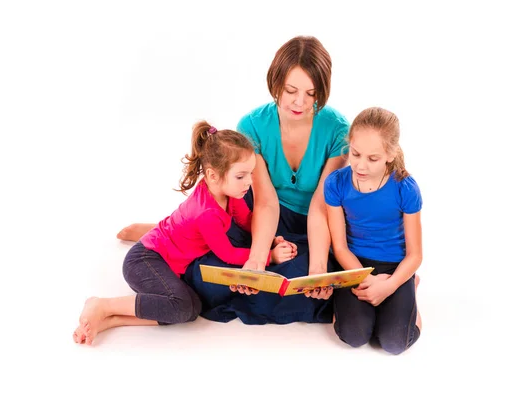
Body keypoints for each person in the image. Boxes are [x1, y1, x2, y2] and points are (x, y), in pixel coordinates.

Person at [116, 36, 349, 324]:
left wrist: (316, 269)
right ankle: (170, 231)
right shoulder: (252, 124)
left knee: (305, 283)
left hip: (315, 223)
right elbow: (265, 202)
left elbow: (320, 207)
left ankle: (174, 230)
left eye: (311, 94)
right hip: (259, 216)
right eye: (291, 90)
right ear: (276, 83)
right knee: (214, 276)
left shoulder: (338, 130)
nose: (300, 102)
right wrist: (256, 259)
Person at [73, 122, 296, 345]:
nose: (249, 182)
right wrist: (270, 256)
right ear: (213, 175)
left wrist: (269, 239)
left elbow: (247, 221)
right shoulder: (207, 213)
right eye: (241, 176)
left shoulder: (230, 193)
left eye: (250, 174)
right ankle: (103, 305)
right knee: (180, 306)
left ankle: (113, 320)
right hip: (146, 261)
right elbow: (227, 255)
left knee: (191, 310)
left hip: (169, 259)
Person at [323, 107, 423, 354]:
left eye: (373, 158)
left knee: (394, 343)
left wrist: (389, 286)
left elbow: (415, 255)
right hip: (354, 265)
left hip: (394, 268)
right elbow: (340, 247)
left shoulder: (405, 188)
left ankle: (412, 288)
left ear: (390, 154)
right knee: (354, 336)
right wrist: (366, 280)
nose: (361, 165)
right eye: (355, 154)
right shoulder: (336, 184)